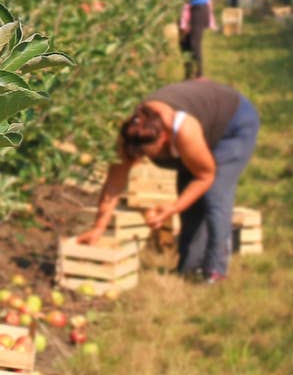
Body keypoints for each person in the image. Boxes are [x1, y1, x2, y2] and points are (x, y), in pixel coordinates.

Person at [77, 79, 260, 282]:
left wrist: (172, 208)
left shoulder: (184, 129)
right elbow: (114, 184)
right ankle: (189, 268)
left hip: (233, 124)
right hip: (201, 125)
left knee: (215, 194)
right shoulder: (131, 133)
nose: (144, 159)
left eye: (149, 154)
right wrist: (99, 228)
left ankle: (215, 270)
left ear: (164, 137)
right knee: (187, 194)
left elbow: (205, 176)